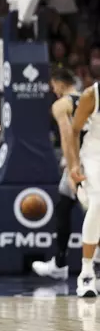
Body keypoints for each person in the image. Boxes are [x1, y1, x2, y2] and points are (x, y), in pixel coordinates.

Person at [32, 68, 91, 280]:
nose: (53, 90)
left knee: (92, 216)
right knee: (63, 207)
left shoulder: (61, 104)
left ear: (59, 83)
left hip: (83, 165)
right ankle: (59, 262)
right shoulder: (90, 99)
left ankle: (79, 267)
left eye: (53, 86)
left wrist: (73, 167)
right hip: (94, 158)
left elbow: (67, 136)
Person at [66, 79, 100, 298]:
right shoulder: (92, 95)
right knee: (98, 202)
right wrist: (74, 165)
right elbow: (74, 130)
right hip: (94, 155)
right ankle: (86, 273)